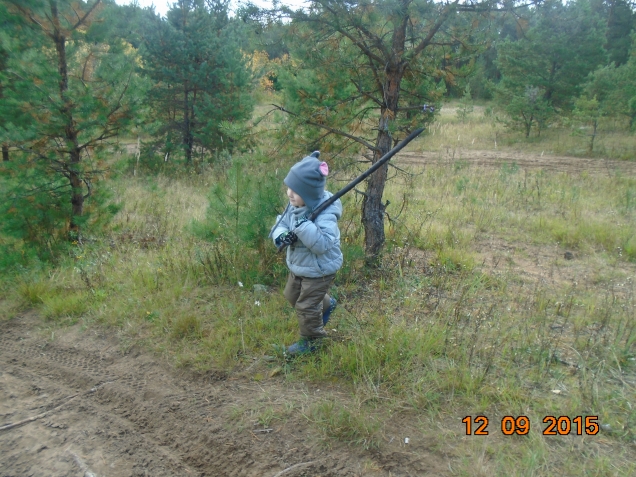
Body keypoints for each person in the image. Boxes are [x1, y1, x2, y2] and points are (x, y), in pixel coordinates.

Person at [270, 151, 343, 356]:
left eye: (296, 190)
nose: (290, 194)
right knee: (291, 295)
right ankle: (326, 305)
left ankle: (312, 341)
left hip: (319, 269)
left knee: (306, 306)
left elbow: (323, 244)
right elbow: (281, 222)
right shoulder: (295, 205)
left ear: (310, 193)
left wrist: (303, 227)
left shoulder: (326, 212)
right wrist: (282, 234)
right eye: (289, 188)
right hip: (300, 265)